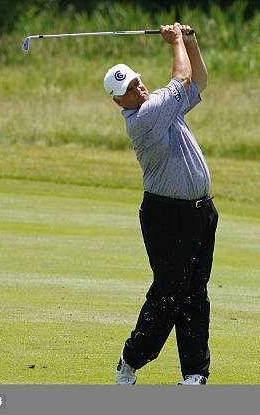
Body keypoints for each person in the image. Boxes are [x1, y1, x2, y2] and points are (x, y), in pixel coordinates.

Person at [103, 23, 216, 385]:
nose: (138, 87)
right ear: (120, 102)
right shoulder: (145, 118)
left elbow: (198, 79)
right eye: (129, 89)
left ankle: (195, 375)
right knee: (169, 295)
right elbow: (181, 76)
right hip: (167, 216)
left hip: (200, 212)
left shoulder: (159, 107)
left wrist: (192, 43)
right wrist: (177, 42)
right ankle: (130, 360)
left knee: (195, 294)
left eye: (137, 81)